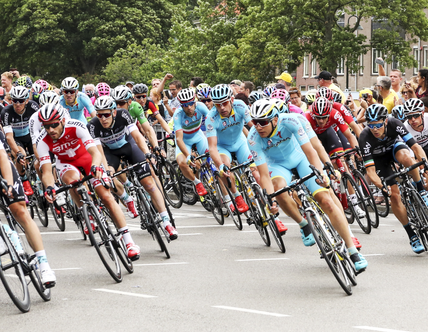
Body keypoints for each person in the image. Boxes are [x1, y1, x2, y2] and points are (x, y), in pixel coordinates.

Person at [247, 99, 367, 271]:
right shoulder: (253, 138)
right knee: (278, 190)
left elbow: (311, 150)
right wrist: (270, 200)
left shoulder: (291, 121)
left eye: (263, 122)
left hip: (301, 158)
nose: (258, 127)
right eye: (255, 122)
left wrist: (322, 173)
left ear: (275, 119)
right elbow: (264, 175)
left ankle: (353, 251)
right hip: (278, 166)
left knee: (326, 200)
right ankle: (303, 224)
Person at [37, 103, 141, 259]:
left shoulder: (76, 126)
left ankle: (128, 241)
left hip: (87, 158)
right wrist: (50, 187)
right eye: (46, 126)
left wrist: (96, 167)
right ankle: (86, 212)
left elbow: (95, 152)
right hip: (66, 164)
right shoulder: (42, 140)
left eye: (54, 125)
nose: (50, 130)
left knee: (106, 196)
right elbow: (46, 171)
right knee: (73, 181)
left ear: (62, 121)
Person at [87, 96, 178, 239]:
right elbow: (99, 152)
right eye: (99, 115)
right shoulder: (93, 125)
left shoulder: (124, 115)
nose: (103, 119)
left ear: (114, 112)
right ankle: (127, 198)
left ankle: (167, 222)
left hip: (128, 146)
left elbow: (137, 136)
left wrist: (147, 154)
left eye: (106, 114)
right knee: (108, 177)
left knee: (149, 183)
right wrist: (107, 171)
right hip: (110, 154)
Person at [359, 103, 428, 254]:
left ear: (385, 121)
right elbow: (370, 172)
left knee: (408, 159)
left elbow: (415, 147)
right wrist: (382, 187)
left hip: (395, 149)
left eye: (377, 124)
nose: (374, 129)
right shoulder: (365, 137)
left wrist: (425, 162)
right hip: (379, 161)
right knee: (395, 197)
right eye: (371, 125)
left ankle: (421, 190)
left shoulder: (394, 123)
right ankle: (412, 235)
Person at [205, 84, 264, 221]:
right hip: (222, 147)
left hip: (240, 143)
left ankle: (265, 202)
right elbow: (212, 147)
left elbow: (254, 127)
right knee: (225, 168)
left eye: (224, 103)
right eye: (217, 105)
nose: (222, 108)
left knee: (256, 173)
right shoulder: (211, 117)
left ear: (231, 99)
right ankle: (237, 196)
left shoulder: (240, 106)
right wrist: (220, 165)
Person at [1, 86, 39, 195]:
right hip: (16, 138)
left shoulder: (33, 106)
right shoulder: (6, 112)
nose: (17, 104)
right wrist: (17, 153)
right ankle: (24, 180)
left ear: (26, 100)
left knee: (40, 157)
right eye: (14, 101)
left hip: (31, 135)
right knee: (21, 155)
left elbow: (42, 126)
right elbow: (9, 137)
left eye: (21, 101)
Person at [173, 88, 210, 197]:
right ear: (181, 105)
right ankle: (197, 182)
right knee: (182, 162)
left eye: (191, 104)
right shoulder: (178, 114)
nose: (189, 107)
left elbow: (211, 125)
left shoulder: (201, 107)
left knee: (210, 160)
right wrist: (188, 155)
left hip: (198, 136)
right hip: (184, 140)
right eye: (185, 105)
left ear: (195, 101)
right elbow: (179, 139)